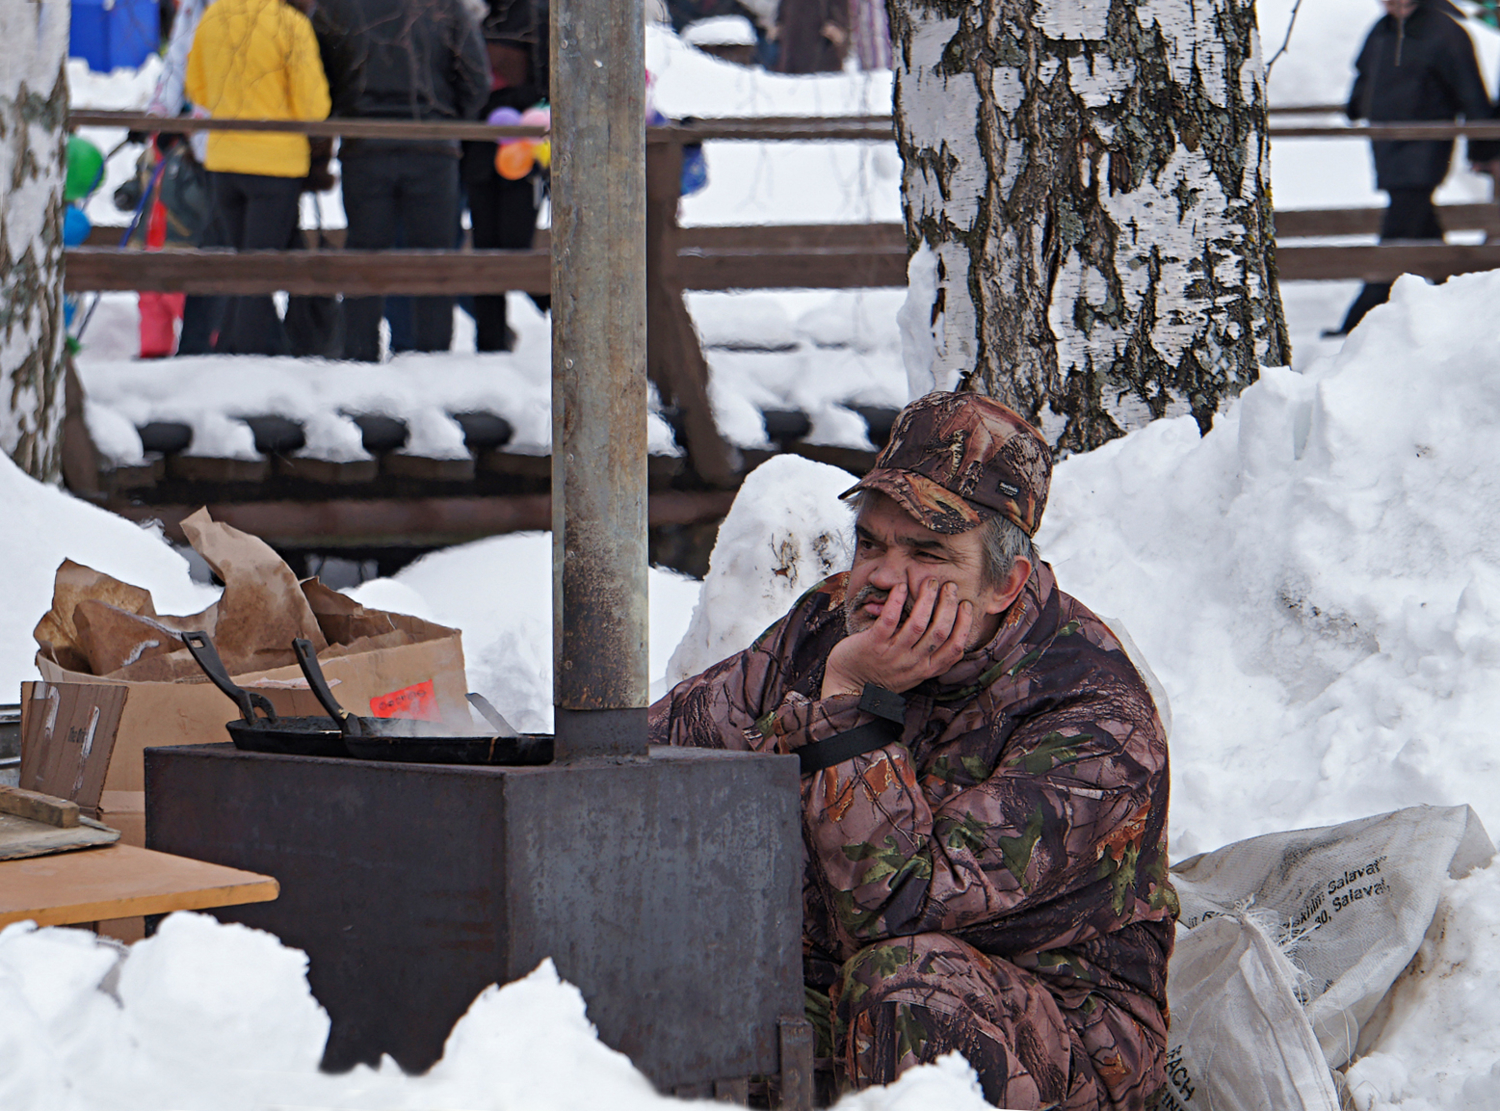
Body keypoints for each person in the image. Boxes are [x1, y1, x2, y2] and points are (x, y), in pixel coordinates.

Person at [650, 392, 1174, 1110]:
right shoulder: (827, 623)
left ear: (1005, 583)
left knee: (905, 985)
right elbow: (664, 744)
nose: (881, 577)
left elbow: (901, 905)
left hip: (1060, 1030)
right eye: (872, 543)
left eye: (926, 552)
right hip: (838, 978)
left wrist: (849, 703)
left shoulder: (1092, 715)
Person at [316, 0, 489, 361]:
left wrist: (344, 114)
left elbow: (319, 76)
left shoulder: (338, 8)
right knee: (435, 260)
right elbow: (476, 78)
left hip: (364, 144)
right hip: (432, 145)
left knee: (365, 255)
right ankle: (432, 357)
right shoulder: (446, 7)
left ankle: (359, 356)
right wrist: (451, 125)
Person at [1330, 0, 1492, 337]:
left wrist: (1484, 144)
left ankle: (1365, 309)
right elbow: (1366, 72)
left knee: (1403, 216)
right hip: (1386, 141)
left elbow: (1469, 88)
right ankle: (1449, 296)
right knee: (1421, 226)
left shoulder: (1443, 31)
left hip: (1427, 139)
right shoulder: (1382, 29)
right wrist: (1357, 103)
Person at [185, 0, 331, 355]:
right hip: (275, 164)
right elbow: (313, 107)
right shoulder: (289, 23)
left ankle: (242, 347)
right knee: (259, 270)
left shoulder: (213, 16)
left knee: (241, 264)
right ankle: (247, 356)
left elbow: (197, 88)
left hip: (223, 160)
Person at [461, 0, 550, 352]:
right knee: (484, 248)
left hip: (523, 150)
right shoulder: (467, 16)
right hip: (479, 148)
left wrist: (508, 102)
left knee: (514, 245)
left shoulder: (534, 15)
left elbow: (548, 85)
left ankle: (571, 309)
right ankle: (490, 343)